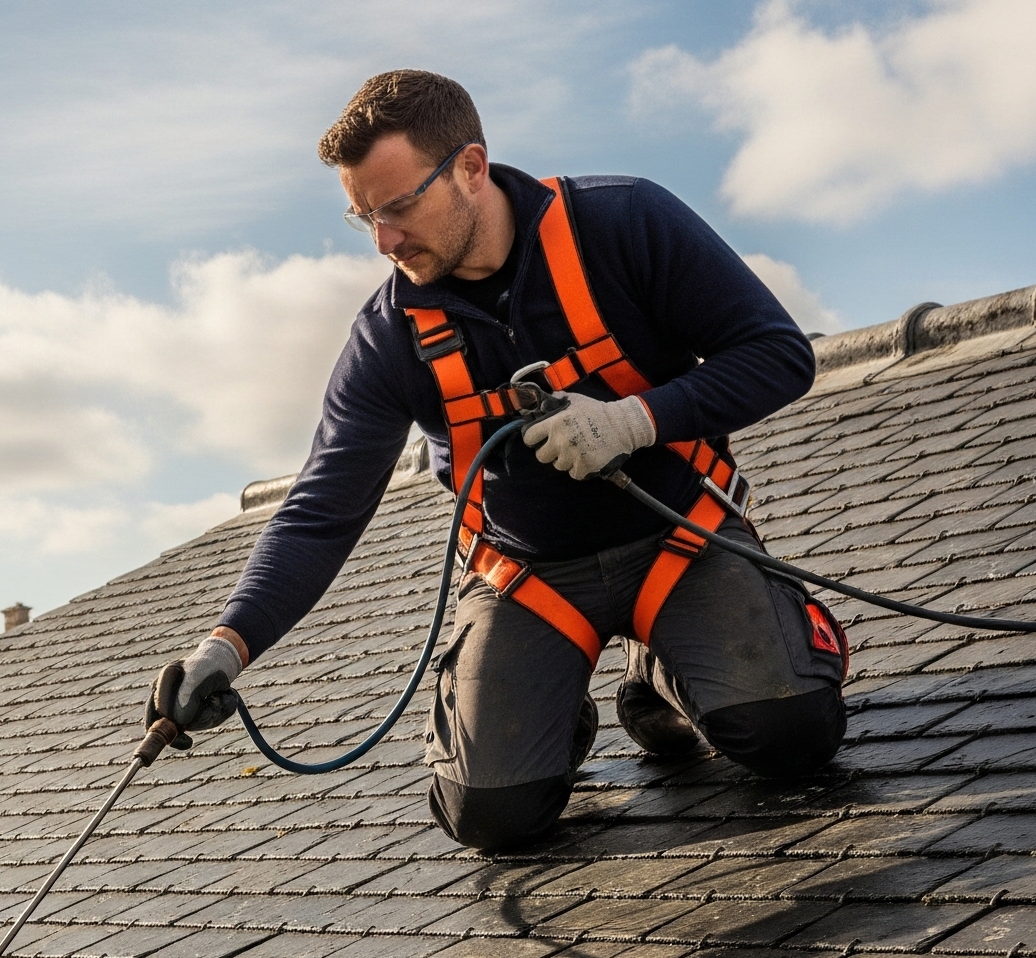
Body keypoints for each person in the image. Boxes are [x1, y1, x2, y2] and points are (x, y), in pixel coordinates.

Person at [150, 70, 846, 851]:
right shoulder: (389, 336)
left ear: (471, 169)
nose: (383, 240)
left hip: (677, 541)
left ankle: (659, 669)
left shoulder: (624, 221)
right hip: (532, 577)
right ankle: (552, 707)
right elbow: (323, 508)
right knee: (493, 815)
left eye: (398, 205)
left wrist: (634, 420)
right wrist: (227, 643)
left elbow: (779, 355)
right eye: (362, 218)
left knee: (789, 734)